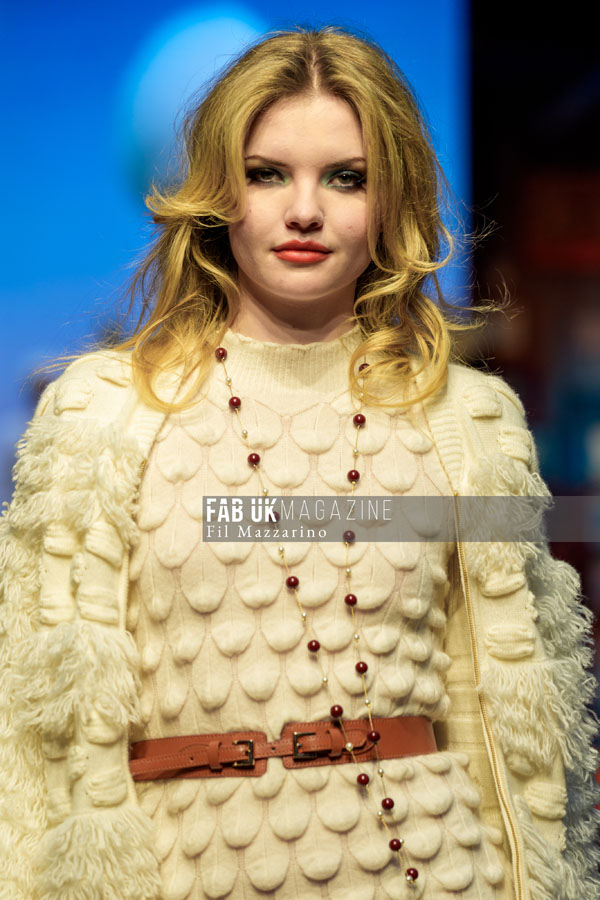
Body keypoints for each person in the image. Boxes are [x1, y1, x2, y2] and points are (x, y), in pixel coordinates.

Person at [0, 25, 598, 900]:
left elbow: (519, 723)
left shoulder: (474, 423)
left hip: (439, 871)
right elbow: (32, 731)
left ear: (390, 199)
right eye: (267, 173)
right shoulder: (99, 415)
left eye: (346, 177)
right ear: (217, 193)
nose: (305, 210)